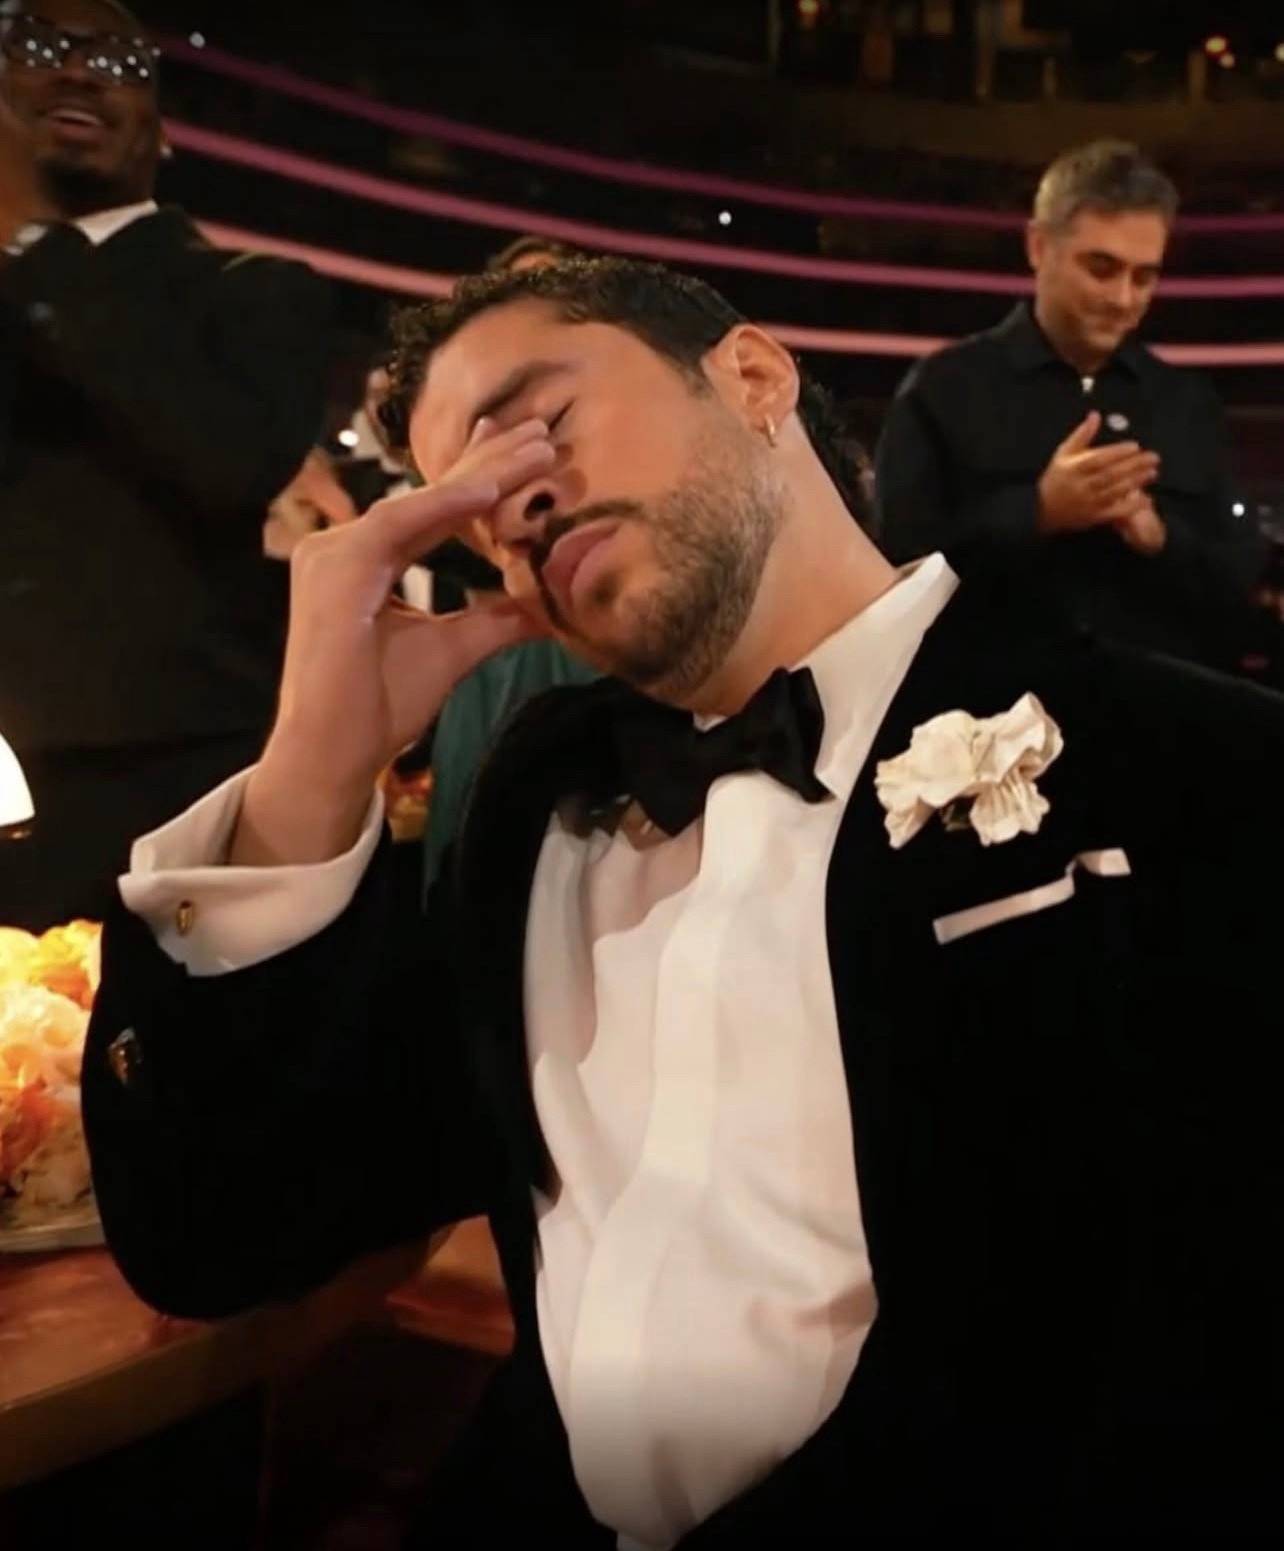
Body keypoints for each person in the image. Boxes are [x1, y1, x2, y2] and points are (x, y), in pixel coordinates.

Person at [84, 258, 1284, 1549]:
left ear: (755, 375)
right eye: (467, 507)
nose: (512, 506)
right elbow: (220, 1234)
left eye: (536, 423)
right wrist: (310, 773)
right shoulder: (531, 817)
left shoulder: (1193, 765)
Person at [0, 0, 330, 930]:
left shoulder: (256, 292)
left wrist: (34, 243)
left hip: (154, 780)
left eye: (114, 59)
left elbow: (226, 461)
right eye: (37, 48)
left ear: (165, 132)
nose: (75, 70)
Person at [874, 139, 1260, 672]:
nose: (1123, 299)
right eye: (1101, 268)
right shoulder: (944, 387)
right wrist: (1036, 511)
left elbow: (1239, 588)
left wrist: (1161, 539)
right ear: (1038, 247)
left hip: (1158, 707)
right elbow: (892, 575)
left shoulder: (1187, 401)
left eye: (1144, 276)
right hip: (985, 707)